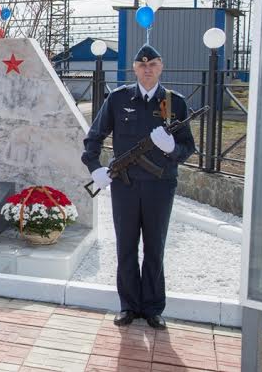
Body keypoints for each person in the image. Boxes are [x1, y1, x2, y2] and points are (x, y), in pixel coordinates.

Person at [81, 43, 195, 330]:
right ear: (134, 68)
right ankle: (129, 306)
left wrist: (171, 148)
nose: (147, 69)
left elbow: (187, 147)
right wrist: (96, 169)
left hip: (160, 186)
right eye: (142, 65)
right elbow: (93, 138)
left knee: (155, 247)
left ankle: (153, 308)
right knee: (126, 247)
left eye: (153, 64)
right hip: (126, 187)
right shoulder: (119, 99)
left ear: (161, 67)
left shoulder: (175, 102)